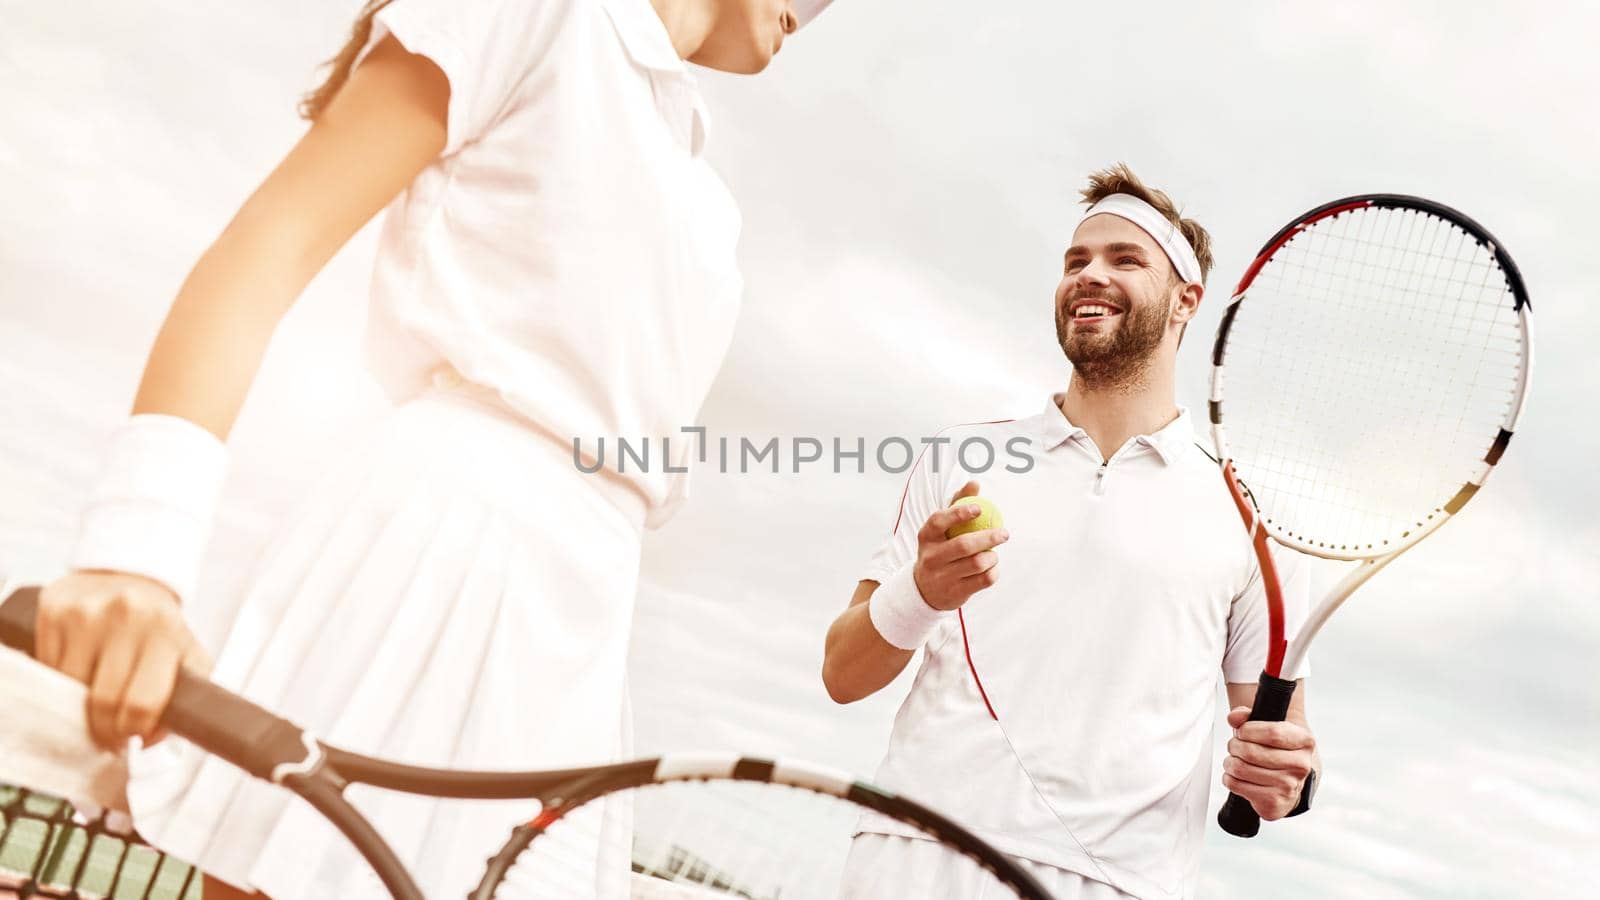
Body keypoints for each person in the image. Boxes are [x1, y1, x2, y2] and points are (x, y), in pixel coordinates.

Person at [33, 0, 834, 897]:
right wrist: (135, 557)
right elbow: (270, 245)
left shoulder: (701, 189)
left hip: (585, 610)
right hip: (445, 554)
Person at [821, 164, 1322, 899]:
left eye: (1125, 259)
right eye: (1075, 261)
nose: (1090, 275)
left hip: (1119, 884)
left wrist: (1287, 781)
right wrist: (920, 590)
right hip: (913, 853)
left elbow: (1283, 751)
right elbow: (843, 673)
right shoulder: (963, 458)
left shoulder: (1251, 522)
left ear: (1187, 302)